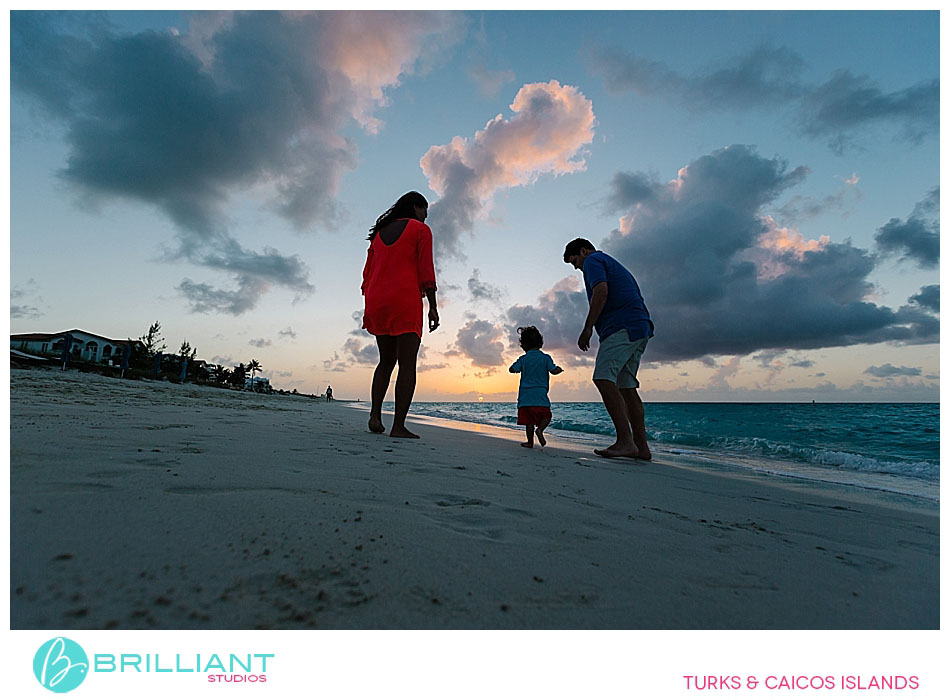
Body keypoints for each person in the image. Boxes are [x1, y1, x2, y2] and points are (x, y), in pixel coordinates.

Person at [564, 238, 653, 460]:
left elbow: (601, 291)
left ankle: (625, 441)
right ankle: (641, 448)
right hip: (639, 326)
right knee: (626, 387)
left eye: (575, 262)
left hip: (621, 326)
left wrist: (587, 328)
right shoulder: (609, 261)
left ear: (583, 251)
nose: (577, 268)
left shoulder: (593, 260)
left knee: (603, 378)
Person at [362, 191, 439, 438]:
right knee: (407, 363)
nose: (426, 216)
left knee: (386, 361)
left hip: (377, 298)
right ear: (416, 207)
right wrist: (434, 306)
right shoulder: (420, 230)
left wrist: (371, 298)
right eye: (424, 209)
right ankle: (398, 426)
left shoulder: (378, 235)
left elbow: (368, 274)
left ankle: (375, 415)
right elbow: (426, 269)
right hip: (404, 299)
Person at [509, 325, 563, 449]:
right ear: (540, 342)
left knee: (529, 421)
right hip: (540, 396)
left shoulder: (523, 359)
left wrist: (515, 368)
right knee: (546, 416)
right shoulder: (545, 358)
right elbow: (553, 370)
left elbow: (512, 369)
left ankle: (530, 442)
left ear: (523, 345)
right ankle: (540, 430)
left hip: (525, 397)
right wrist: (558, 370)